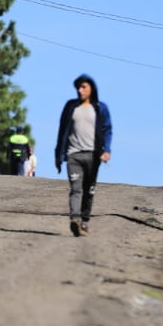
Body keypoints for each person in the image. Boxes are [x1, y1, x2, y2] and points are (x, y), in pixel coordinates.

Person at [54, 73, 112, 237]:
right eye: (78, 87)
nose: (80, 90)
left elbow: (107, 130)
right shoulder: (71, 106)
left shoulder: (100, 108)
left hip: (94, 156)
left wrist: (107, 150)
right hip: (73, 155)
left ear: (91, 89)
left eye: (83, 87)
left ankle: (85, 220)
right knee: (76, 188)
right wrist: (58, 155)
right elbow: (62, 131)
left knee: (89, 190)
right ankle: (75, 219)